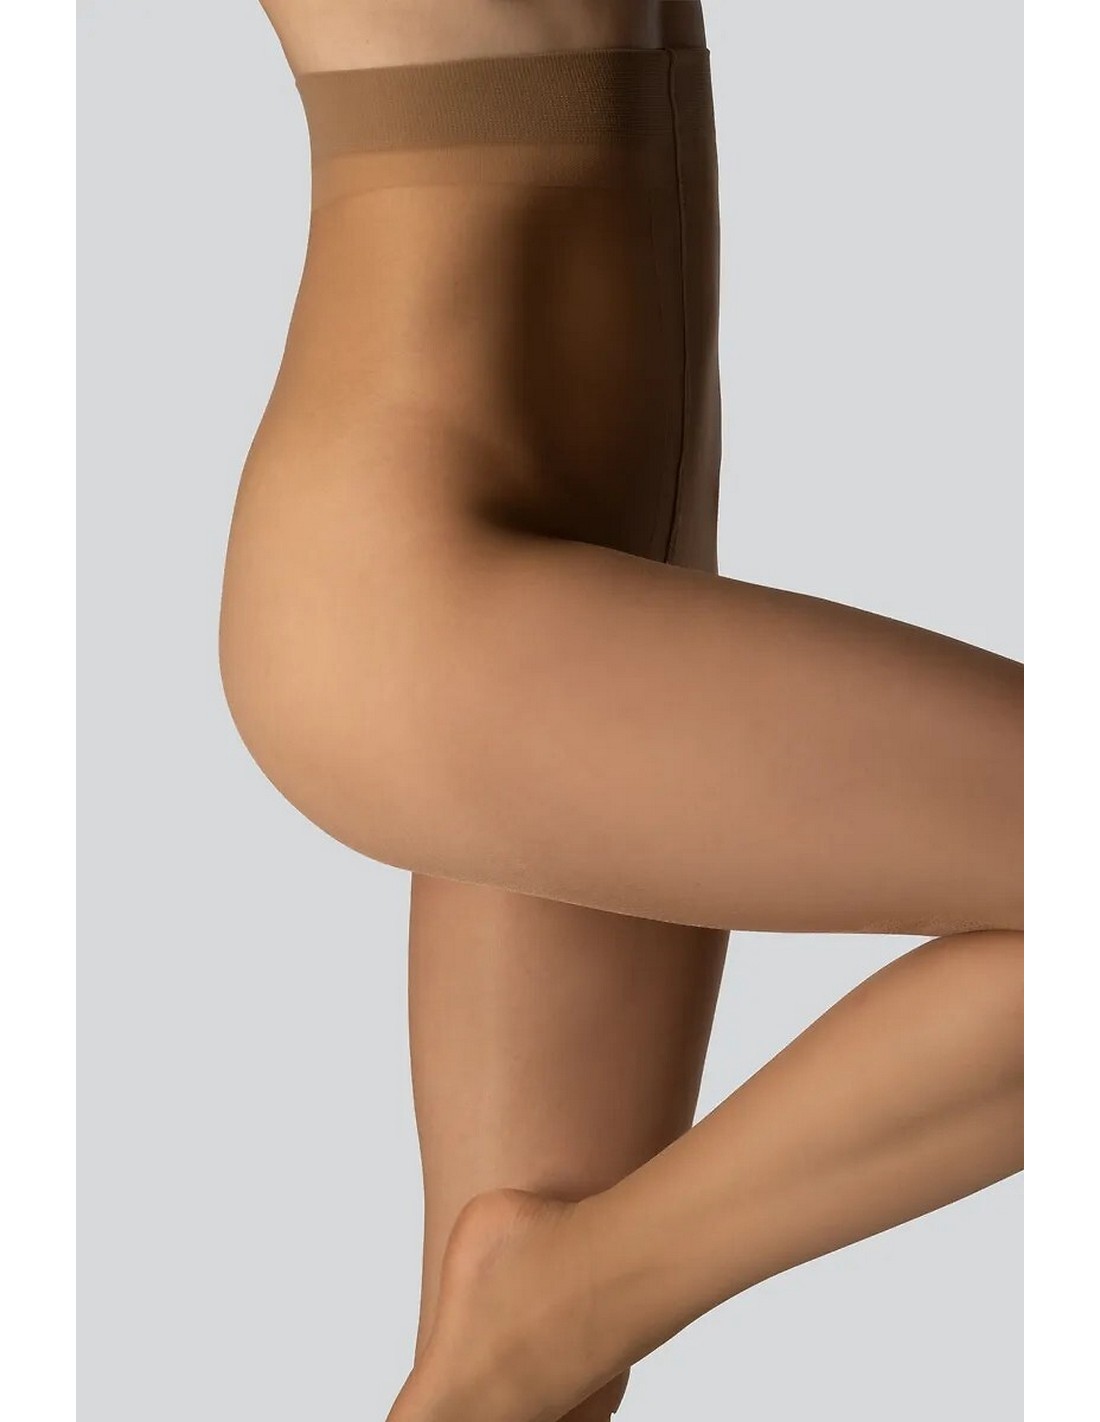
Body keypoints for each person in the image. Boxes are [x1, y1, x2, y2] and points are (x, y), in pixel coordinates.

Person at [217, 4, 1023, 1419]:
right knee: (533, 1352)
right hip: (415, 610)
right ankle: (559, 1293)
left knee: (518, 1405)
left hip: (590, 610)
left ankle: (551, 1309)